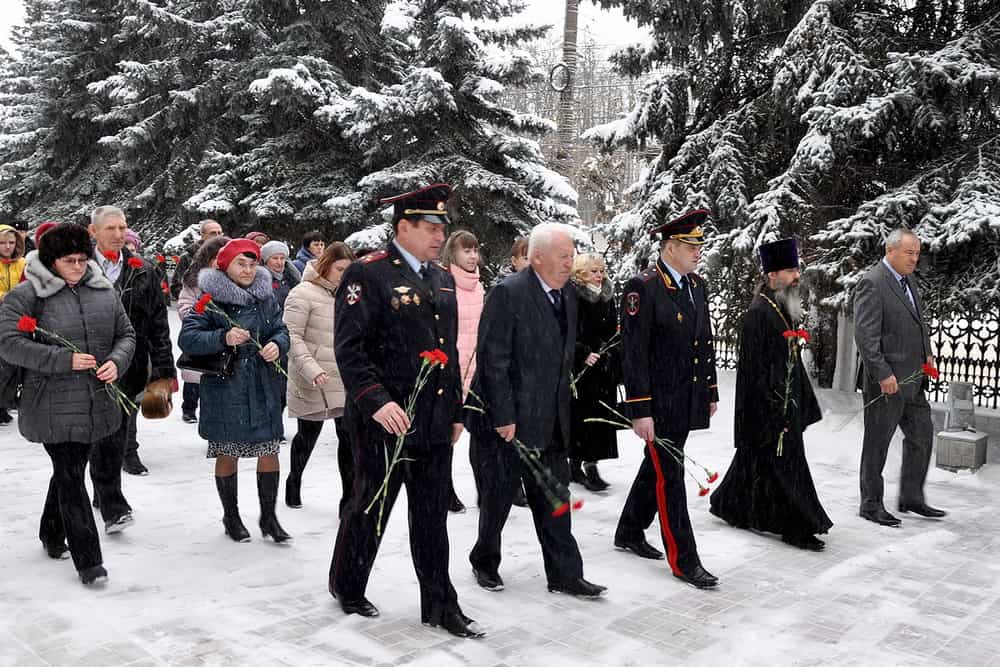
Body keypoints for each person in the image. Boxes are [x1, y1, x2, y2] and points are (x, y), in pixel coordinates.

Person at [328, 184, 482, 638]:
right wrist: (377, 402)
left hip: (433, 418)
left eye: (442, 227)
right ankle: (348, 584)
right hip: (383, 421)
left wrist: (456, 410)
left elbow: (448, 352)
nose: (439, 236)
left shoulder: (441, 278)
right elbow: (350, 351)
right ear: (403, 228)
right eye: (430, 227)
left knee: (432, 514)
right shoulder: (367, 274)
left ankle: (440, 604)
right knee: (370, 504)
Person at [468, 222, 607, 600]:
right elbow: (492, 359)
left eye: (572, 255)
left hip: (552, 421)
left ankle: (565, 574)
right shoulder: (508, 294)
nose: (570, 263)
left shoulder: (569, 296)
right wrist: (503, 415)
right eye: (564, 256)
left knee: (556, 501)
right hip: (511, 422)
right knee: (497, 500)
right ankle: (484, 560)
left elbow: (564, 351)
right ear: (538, 257)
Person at [0, 223, 135, 585]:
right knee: (72, 474)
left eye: (81, 259)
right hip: (50, 403)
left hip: (96, 399)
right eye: (68, 260)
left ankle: (50, 532)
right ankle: (89, 561)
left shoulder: (103, 291)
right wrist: (62, 360)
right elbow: (8, 343)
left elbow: (126, 334)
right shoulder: (27, 296)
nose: (77, 266)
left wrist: (116, 362)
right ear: (51, 261)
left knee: (68, 469)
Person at [614, 210, 720, 588]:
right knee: (670, 480)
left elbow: (703, 341)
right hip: (658, 405)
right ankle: (685, 561)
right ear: (670, 246)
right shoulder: (643, 287)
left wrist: (709, 389)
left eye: (699, 245)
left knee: (657, 467)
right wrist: (640, 410)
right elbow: (634, 354)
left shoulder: (697, 285)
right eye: (691, 246)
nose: (698, 252)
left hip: (686, 399)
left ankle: (628, 530)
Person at [710, 238, 832, 550]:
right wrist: (772, 406)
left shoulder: (781, 308)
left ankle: (731, 504)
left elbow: (789, 361)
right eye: (790, 270)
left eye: (796, 269)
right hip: (768, 406)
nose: (796, 276)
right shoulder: (757, 314)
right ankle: (797, 526)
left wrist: (800, 399)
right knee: (784, 464)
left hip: (784, 401)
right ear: (772, 275)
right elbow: (753, 370)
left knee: (756, 462)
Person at [178, 239, 291, 543]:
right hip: (227, 387)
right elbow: (188, 338)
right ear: (225, 265)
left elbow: (281, 329)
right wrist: (223, 336)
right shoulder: (211, 299)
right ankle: (231, 516)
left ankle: (269, 517)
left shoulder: (266, 298)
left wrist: (276, 345)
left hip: (262, 385)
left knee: (269, 450)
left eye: (253, 263)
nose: (248, 269)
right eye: (241, 263)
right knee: (228, 452)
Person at [854, 228, 945, 526]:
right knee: (877, 443)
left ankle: (911, 497)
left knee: (922, 436)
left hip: (914, 378)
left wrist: (927, 354)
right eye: (909, 252)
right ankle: (870, 504)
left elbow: (918, 323)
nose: (914, 258)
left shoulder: (908, 280)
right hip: (888, 381)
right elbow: (866, 337)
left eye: (917, 253)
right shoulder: (873, 282)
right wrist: (882, 374)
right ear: (890, 250)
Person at [89, 206, 177, 480]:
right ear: (93, 231)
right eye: (110, 228)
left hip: (134, 357)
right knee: (97, 421)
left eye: (122, 227)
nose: (118, 234)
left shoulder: (144, 270)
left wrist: (164, 369)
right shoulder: (79, 267)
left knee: (128, 411)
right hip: (92, 359)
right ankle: (103, 482)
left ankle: (128, 452)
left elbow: (159, 323)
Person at [283, 241, 355, 512]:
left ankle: (348, 498)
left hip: (344, 375)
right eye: (339, 269)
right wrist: (311, 368)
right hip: (313, 375)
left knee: (347, 438)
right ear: (325, 266)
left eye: (349, 271)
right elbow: (291, 336)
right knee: (307, 435)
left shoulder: (349, 295)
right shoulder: (302, 293)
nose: (344, 275)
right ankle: (294, 479)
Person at [441, 229, 484, 514]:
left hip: (478, 370)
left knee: (481, 436)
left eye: (474, 250)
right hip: (452, 371)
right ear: (452, 254)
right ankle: (445, 490)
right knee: (448, 437)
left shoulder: (480, 285)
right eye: (466, 251)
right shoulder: (443, 284)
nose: (472, 256)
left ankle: (486, 488)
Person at [569, 253, 621, 492]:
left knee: (600, 418)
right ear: (581, 273)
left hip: (603, 366)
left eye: (601, 270)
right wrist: (582, 353)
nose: (599, 275)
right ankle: (583, 464)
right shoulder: (574, 296)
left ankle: (589, 462)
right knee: (585, 418)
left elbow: (613, 328)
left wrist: (613, 350)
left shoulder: (607, 295)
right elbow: (568, 331)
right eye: (593, 271)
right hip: (584, 368)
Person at [176, 236, 231, 423]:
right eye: (217, 257)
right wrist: (203, 314)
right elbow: (184, 308)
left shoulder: (237, 281)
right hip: (203, 340)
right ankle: (190, 408)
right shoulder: (194, 281)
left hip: (229, 345)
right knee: (196, 379)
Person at [169, 219, 224, 300]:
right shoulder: (188, 258)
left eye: (219, 233)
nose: (217, 236)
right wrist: (193, 300)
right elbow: (175, 287)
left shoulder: (230, 256)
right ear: (202, 235)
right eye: (213, 233)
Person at [260, 240, 301, 309]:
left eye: (282, 258)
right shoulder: (261, 280)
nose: (279, 262)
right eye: (275, 258)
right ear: (266, 260)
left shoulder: (292, 277)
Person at [0, 223, 27, 300]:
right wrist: (3, 297)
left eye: (11, 242)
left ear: (17, 243)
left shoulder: (24, 263)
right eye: (2, 243)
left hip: (20, 309)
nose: (7, 247)